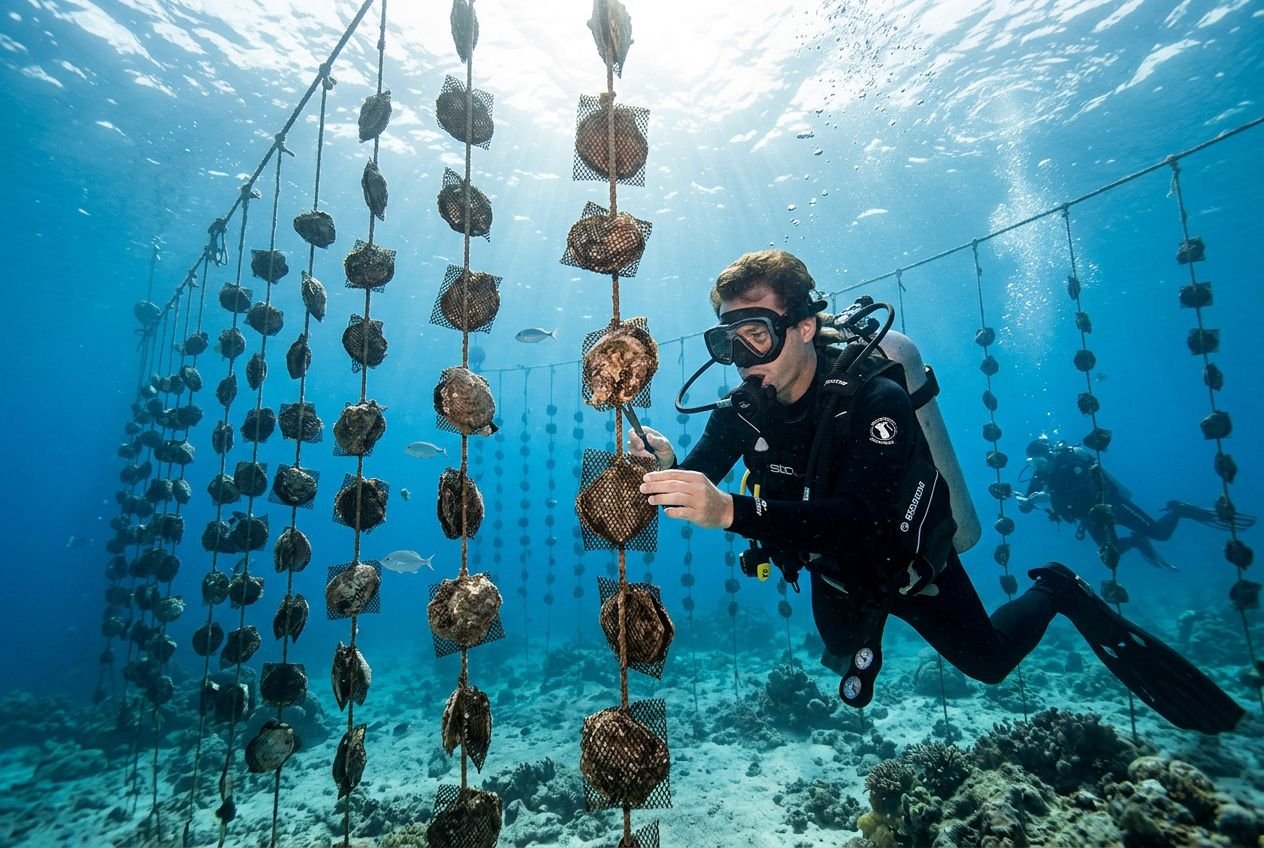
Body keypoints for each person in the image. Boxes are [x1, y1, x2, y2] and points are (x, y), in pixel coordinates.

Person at [629, 248, 1243, 735]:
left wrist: (732, 511)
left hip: (910, 563)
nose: (740, 357)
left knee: (991, 664)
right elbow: (702, 477)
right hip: (834, 571)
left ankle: (1057, 587)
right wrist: (668, 462)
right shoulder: (744, 407)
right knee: (842, 649)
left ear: (806, 326)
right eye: (727, 340)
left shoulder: (876, 398)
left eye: (756, 333)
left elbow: (858, 519)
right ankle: (865, 634)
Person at [1016, 436, 1254, 570]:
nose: (1037, 467)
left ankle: (1179, 510)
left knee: (1160, 534)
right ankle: (1137, 541)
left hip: (1113, 506)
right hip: (1089, 519)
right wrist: (1024, 504)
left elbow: (1089, 492)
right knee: (1111, 554)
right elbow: (1030, 498)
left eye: (1039, 461)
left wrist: (1051, 498)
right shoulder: (1041, 474)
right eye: (1032, 463)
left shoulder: (1071, 461)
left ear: (1050, 455)